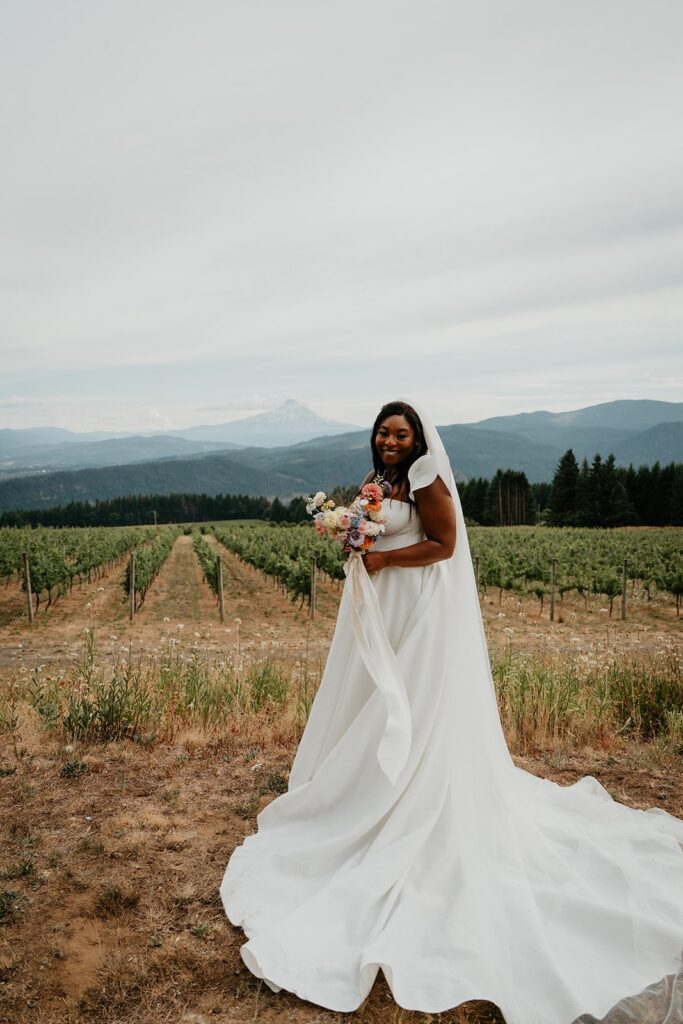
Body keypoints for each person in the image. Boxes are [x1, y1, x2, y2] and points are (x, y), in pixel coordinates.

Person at [220, 398, 683, 1024]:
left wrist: (381, 556)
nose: (389, 439)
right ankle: (368, 794)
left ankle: (413, 799)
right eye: (382, 431)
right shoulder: (382, 481)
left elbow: (444, 544)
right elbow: (374, 526)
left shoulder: (426, 477)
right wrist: (350, 531)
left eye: (399, 432)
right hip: (385, 605)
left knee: (416, 707)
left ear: (417, 437)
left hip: (418, 608)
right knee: (377, 708)